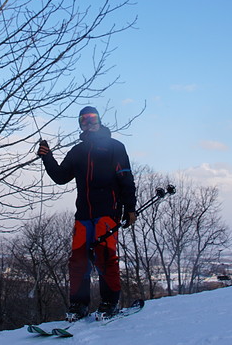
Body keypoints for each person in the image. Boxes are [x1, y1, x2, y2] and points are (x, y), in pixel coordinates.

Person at [37, 106, 137, 320]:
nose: (88, 123)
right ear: (80, 124)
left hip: (107, 212)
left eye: (92, 118)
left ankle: (110, 302)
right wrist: (47, 157)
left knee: (105, 257)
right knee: (78, 260)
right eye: (83, 120)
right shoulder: (77, 151)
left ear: (99, 120)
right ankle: (78, 306)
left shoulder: (114, 147)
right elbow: (61, 176)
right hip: (83, 214)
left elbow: (126, 178)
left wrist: (130, 208)